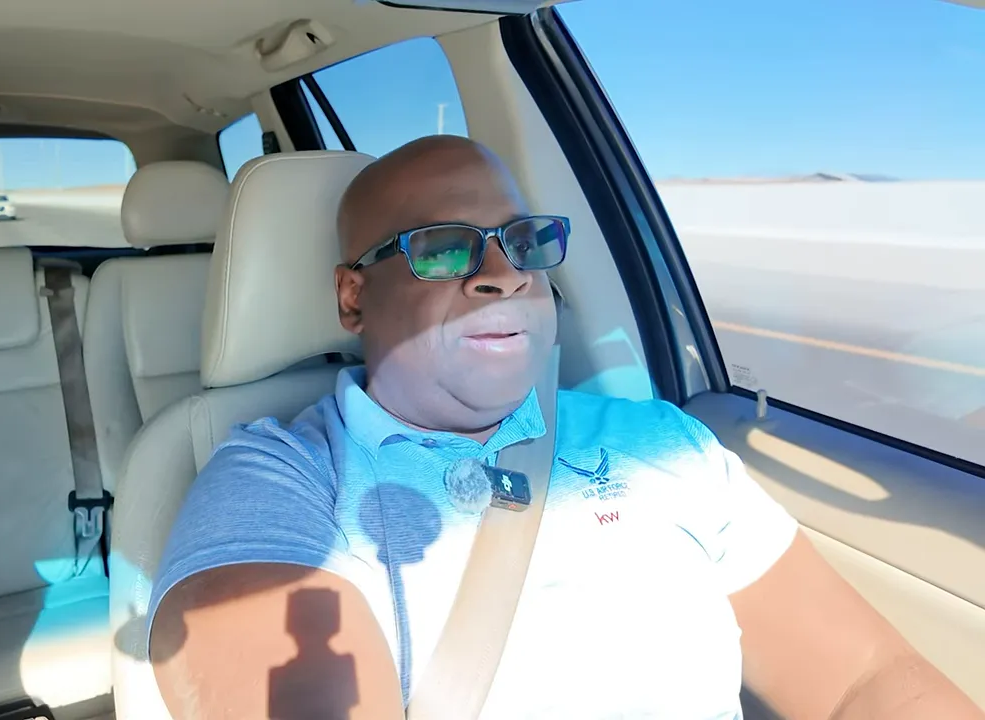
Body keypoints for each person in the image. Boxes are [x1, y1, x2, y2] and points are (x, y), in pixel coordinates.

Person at [145, 136, 981, 718]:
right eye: (442, 248)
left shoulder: (663, 441)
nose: (501, 273)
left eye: (525, 240)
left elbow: (865, 683)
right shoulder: (280, 479)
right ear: (353, 296)